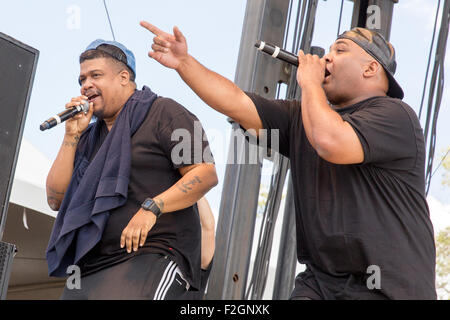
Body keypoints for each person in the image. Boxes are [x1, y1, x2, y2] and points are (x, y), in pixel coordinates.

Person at [140, 22, 437, 300]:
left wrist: (310, 85)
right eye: (329, 51)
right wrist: (183, 63)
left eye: (340, 50)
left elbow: (330, 142)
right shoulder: (302, 116)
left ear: (371, 68)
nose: (327, 59)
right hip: (321, 283)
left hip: (388, 287)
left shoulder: (395, 115)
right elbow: (236, 101)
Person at [45, 39, 218, 300]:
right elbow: (55, 200)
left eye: (95, 75)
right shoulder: (87, 137)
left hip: (153, 254)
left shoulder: (165, 112)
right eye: (82, 79)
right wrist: (70, 135)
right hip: (91, 265)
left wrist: (153, 207)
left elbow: (205, 173)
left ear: (124, 77)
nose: (85, 85)